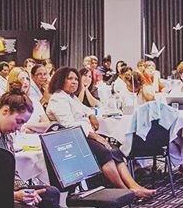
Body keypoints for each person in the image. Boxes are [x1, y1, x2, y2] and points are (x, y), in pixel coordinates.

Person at [46, 67, 155, 198]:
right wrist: (94, 135)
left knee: (115, 151)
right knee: (105, 152)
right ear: (60, 80)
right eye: (69, 78)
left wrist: (91, 115)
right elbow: (69, 125)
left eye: (76, 79)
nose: (74, 82)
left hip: (82, 136)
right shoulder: (58, 99)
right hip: (72, 140)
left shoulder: (70, 97)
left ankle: (134, 186)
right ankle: (126, 190)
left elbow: (86, 109)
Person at [7, 67, 51, 133]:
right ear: (14, 81)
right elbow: (12, 127)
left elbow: (47, 125)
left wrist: (27, 126)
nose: (25, 82)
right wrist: (36, 129)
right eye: (22, 79)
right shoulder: (8, 101)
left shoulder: (34, 101)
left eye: (27, 79)